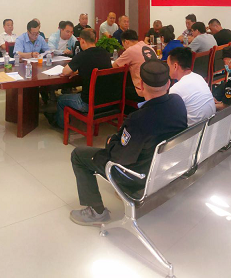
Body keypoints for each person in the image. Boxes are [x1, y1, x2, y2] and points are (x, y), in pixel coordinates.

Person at [69, 58, 187, 225]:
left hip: (140, 176)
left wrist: (110, 142)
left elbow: (119, 157)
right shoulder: (177, 102)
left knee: (79, 155)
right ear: (168, 83)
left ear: (141, 85)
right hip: (166, 168)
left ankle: (96, 212)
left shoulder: (138, 119)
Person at [44, 28, 112, 129]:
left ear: (82, 41)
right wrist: (78, 71)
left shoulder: (82, 55)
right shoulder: (105, 53)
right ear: (96, 39)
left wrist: (74, 71)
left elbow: (65, 72)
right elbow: (94, 67)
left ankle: (60, 124)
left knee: (61, 99)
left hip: (88, 103)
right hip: (107, 100)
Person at [168, 47, 216, 126]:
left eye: (168, 65)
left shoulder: (176, 89)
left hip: (194, 130)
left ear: (175, 66)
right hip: (211, 124)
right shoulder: (199, 77)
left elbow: (172, 118)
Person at [112, 29, 156, 101]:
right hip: (156, 87)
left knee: (118, 90)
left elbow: (115, 66)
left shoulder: (131, 50)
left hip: (142, 91)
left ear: (126, 42)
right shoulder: (149, 47)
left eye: (123, 45)